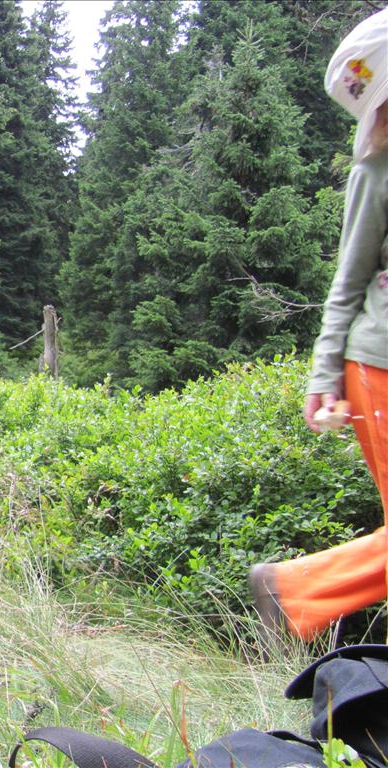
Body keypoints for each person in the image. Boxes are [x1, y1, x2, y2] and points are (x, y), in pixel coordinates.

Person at [250, 8, 388, 643]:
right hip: (378, 367)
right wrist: (323, 375)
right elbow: (347, 284)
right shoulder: (376, 173)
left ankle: (292, 593)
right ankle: (292, 591)